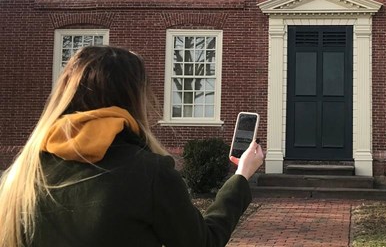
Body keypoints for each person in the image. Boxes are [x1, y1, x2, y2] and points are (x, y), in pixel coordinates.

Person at [0, 46, 264, 247]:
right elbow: (202, 242)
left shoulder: (19, 177)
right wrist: (241, 177)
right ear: (134, 98)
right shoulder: (150, 172)